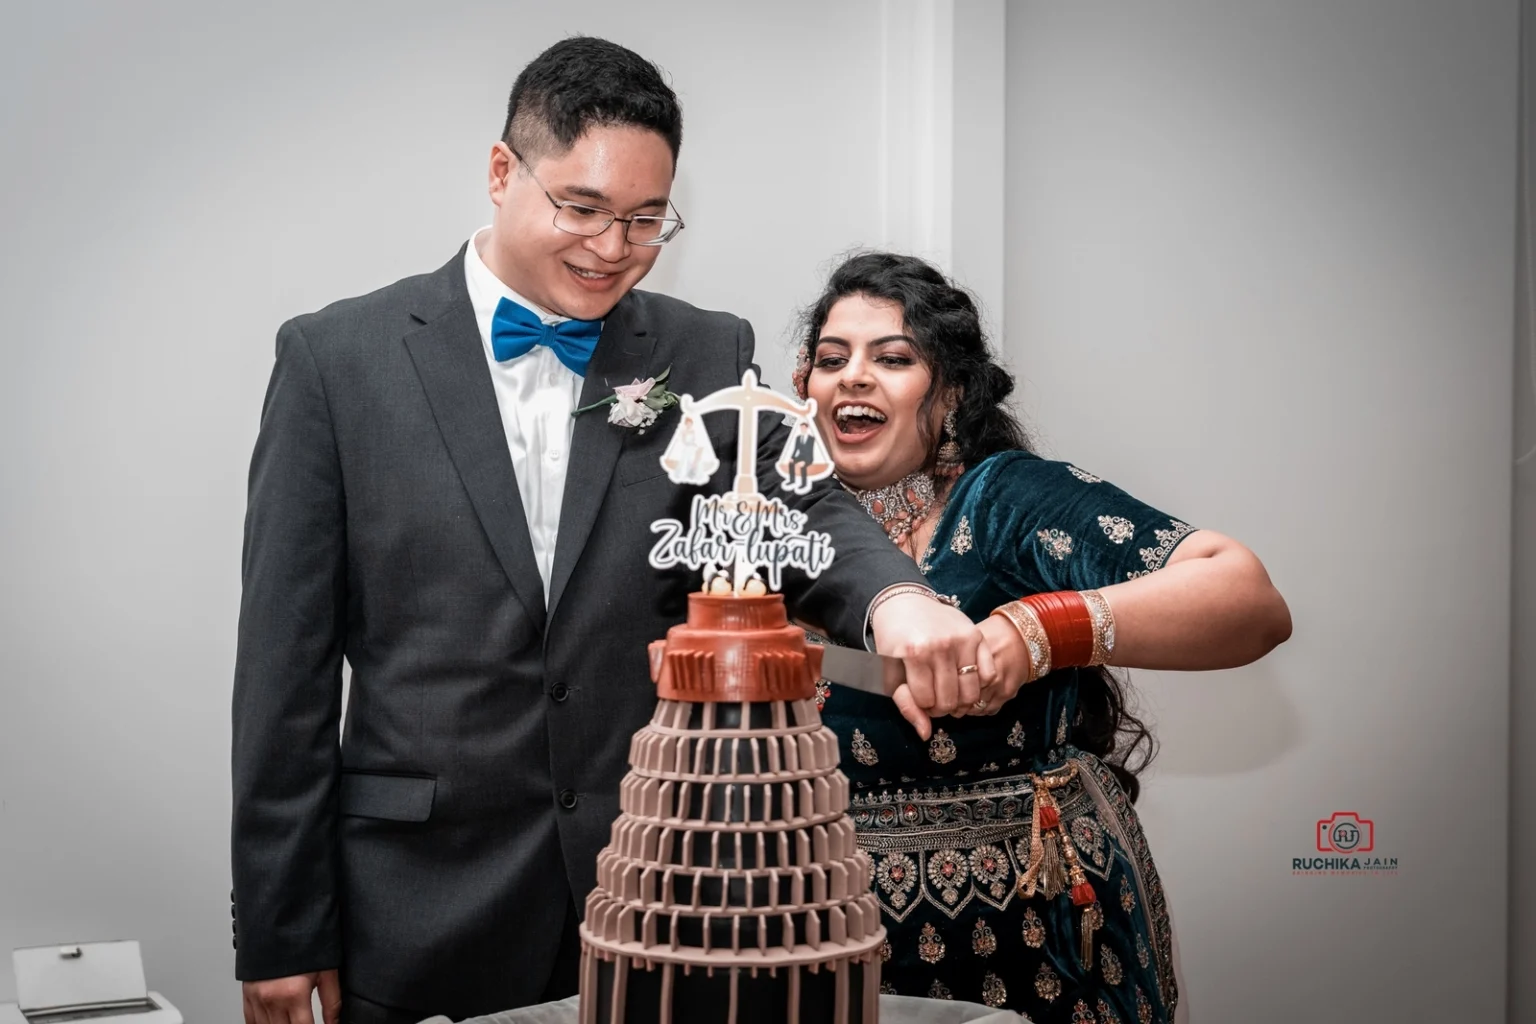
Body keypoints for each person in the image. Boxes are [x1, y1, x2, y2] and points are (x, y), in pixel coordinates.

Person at [231, 42, 988, 1024]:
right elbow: (283, 674)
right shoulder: (338, 362)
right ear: (504, 172)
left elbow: (794, 495)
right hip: (420, 905)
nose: (612, 248)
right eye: (582, 209)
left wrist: (898, 599)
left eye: (645, 220)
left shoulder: (701, 347)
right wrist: (284, 932)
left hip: (659, 897)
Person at [793, 252, 1292, 1023]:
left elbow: (1245, 596)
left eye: (893, 358)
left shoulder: (1004, 499)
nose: (853, 376)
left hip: (1023, 929)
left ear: (951, 392)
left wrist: (1037, 633)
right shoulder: (776, 522)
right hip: (831, 935)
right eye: (833, 359)